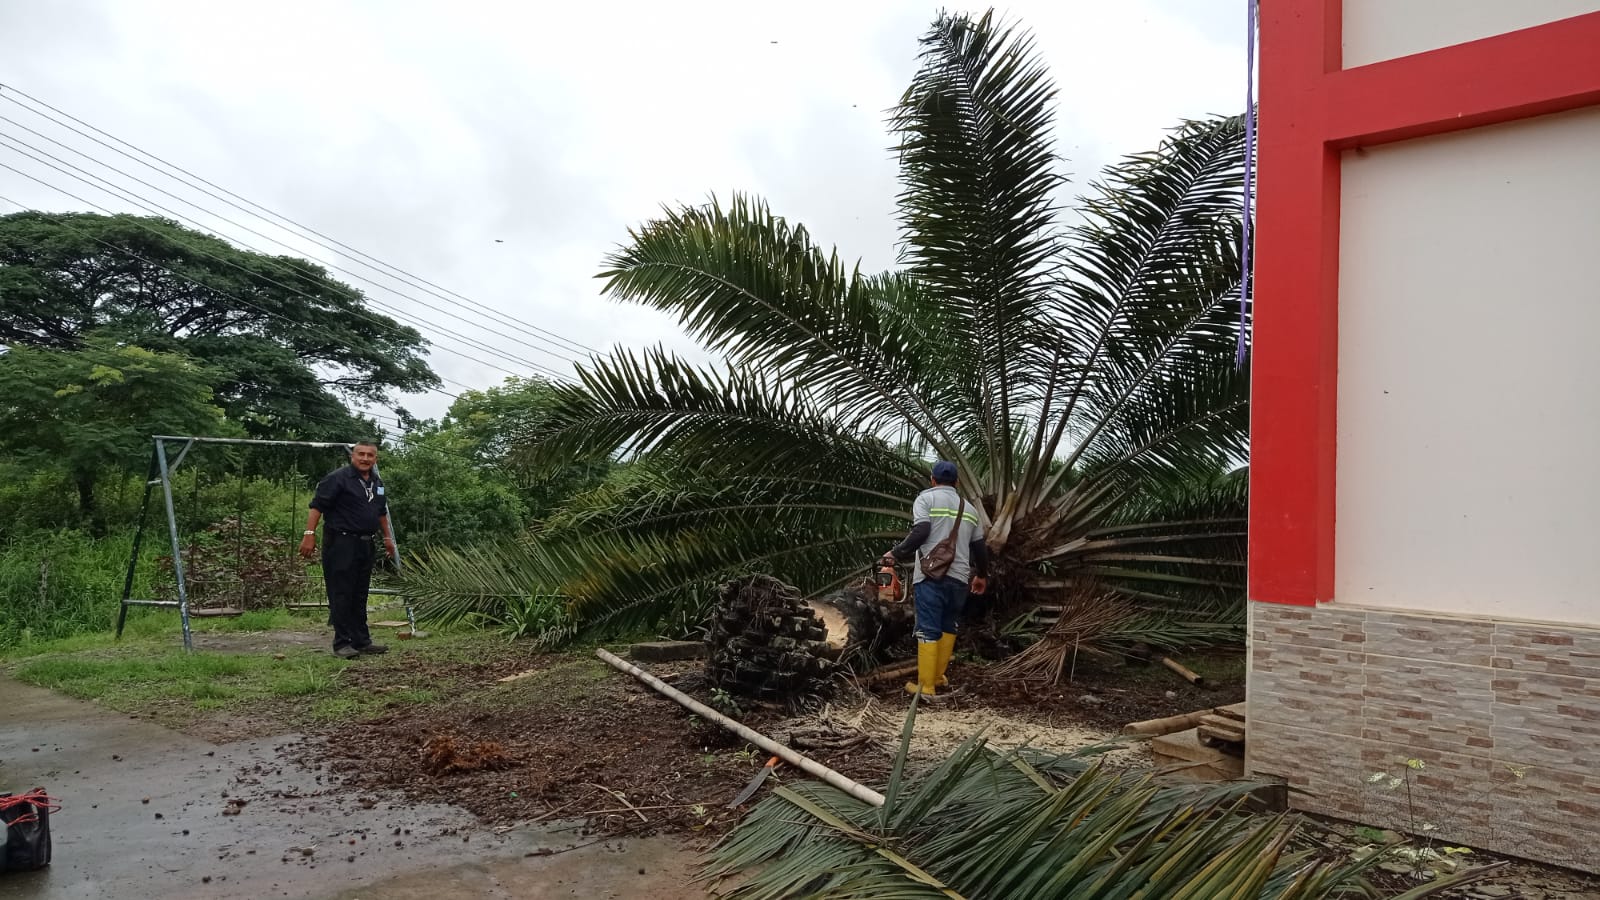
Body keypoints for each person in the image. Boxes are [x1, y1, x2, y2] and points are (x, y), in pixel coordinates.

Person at [881, 460, 988, 698]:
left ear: (932, 480)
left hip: (931, 575)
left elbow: (921, 531)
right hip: (959, 577)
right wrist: (981, 575)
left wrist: (895, 553)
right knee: (949, 625)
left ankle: (926, 686)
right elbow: (980, 548)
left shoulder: (926, 499)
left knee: (928, 628)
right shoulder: (970, 509)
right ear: (957, 482)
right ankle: (938, 677)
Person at [299, 441, 395, 659]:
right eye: (361, 454)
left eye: (370, 455)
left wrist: (387, 537)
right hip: (341, 542)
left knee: (360, 593)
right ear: (353, 456)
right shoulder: (337, 478)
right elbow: (317, 507)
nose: (365, 458)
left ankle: (361, 641)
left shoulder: (377, 483)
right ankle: (342, 643)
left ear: (375, 459)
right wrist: (309, 534)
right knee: (341, 592)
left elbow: (381, 512)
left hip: (366, 543)